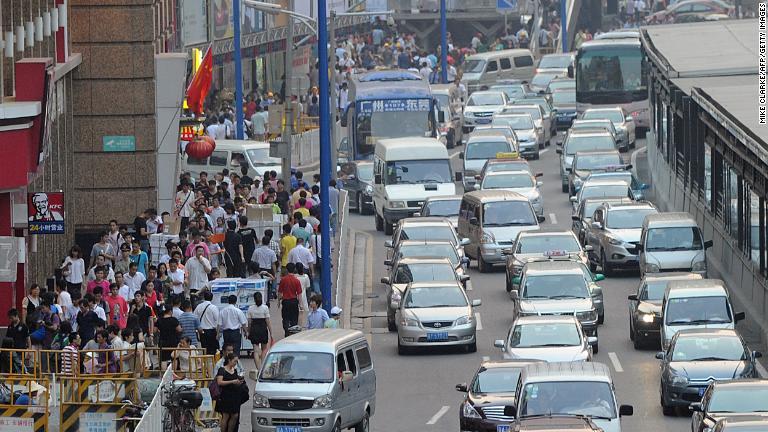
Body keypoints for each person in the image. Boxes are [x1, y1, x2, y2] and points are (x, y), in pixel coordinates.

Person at [215, 352, 246, 432]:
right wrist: (232, 381)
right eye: (234, 361)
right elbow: (219, 382)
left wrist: (239, 382)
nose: (236, 363)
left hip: (234, 395)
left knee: (235, 415)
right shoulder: (222, 370)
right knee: (226, 416)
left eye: (236, 361)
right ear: (229, 360)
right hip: (225, 395)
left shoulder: (235, 370)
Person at [246, 291, 272, 370]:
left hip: (254, 328)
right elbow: (268, 321)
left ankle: (258, 368)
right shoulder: (265, 308)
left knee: (255, 349)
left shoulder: (250, 308)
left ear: (254, 299)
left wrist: (248, 331)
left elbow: (249, 322)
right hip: (263, 328)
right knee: (264, 348)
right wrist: (271, 332)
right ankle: (263, 366)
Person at [278, 263, 302, 335]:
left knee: (285, 318)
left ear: (287, 269)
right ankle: (293, 332)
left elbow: (280, 292)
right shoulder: (296, 281)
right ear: (294, 269)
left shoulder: (283, 280)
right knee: (294, 318)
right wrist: (300, 304)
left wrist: (278, 302)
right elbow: (299, 294)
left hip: (285, 301)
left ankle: (286, 331)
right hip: (294, 301)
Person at [156, 304, 182, 369]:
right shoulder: (174, 320)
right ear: (170, 311)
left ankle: (164, 375)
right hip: (173, 341)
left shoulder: (159, 320)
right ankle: (173, 373)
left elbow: (154, 330)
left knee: (163, 359)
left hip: (163, 341)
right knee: (174, 357)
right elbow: (179, 330)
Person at [195, 290, 220, 355]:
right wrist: (218, 332)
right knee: (212, 349)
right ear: (212, 298)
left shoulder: (198, 306)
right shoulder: (214, 307)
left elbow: (195, 317)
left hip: (202, 331)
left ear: (204, 297)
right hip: (211, 331)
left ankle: (205, 363)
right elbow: (217, 320)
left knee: (204, 349)